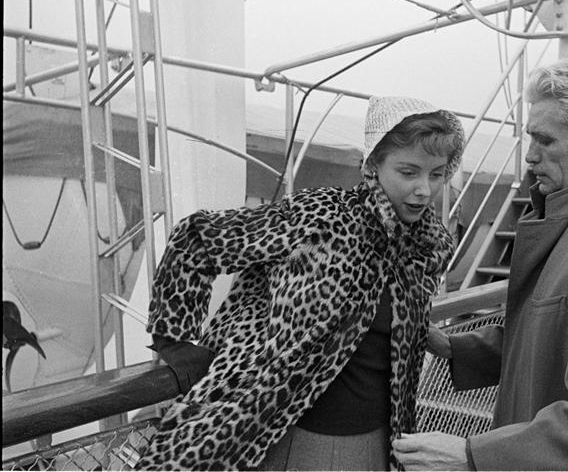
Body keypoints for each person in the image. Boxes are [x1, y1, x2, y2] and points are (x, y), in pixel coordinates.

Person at [136, 96, 465, 471]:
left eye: (436, 174)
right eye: (409, 172)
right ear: (373, 164)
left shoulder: (424, 246)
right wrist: (175, 342)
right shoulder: (319, 216)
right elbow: (198, 239)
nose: (425, 189)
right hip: (303, 439)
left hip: (382, 441)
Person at [393, 56, 568, 470]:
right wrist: (452, 346)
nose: (529, 156)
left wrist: (473, 456)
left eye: (544, 140)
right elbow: (547, 339)